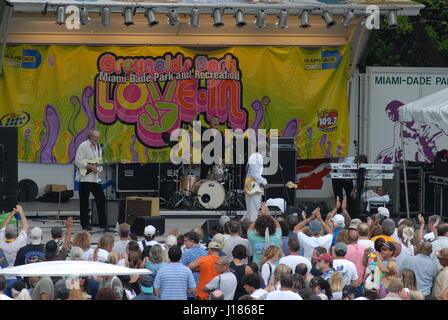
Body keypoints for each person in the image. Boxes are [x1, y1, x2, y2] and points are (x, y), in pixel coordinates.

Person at [74, 128, 107, 231]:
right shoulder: (83, 145)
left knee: (101, 199)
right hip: (85, 177)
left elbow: (98, 161)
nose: (96, 139)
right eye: (95, 137)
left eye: (98, 137)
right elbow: (77, 161)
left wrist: (99, 170)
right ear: (90, 137)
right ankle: (85, 224)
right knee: (84, 202)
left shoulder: (99, 147)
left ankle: (103, 223)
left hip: (95, 178)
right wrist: (89, 166)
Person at [243, 141, 268, 222]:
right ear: (263, 150)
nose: (266, 153)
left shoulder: (254, 156)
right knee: (254, 210)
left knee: (250, 210)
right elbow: (255, 174)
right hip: (253, 186)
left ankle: (244, 226)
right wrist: (264, 182)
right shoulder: (258, 157)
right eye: (266, 151)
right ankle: (251, 230)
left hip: (250, 184)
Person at [180, 231, 207, 299]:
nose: (184, 243)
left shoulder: (186, 254)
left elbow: (182, 270)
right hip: (203, 288)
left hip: (190, 289)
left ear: (192, 241)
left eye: (186, 241)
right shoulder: (205, 252)